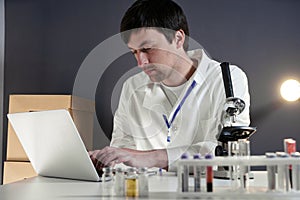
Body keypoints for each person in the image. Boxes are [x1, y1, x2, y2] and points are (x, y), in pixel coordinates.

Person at [89, 0, 250, 172]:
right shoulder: (131, 86)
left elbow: (229, 152)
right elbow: (122, 148)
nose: (141, 62)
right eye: (134, 52)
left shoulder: (227, 79)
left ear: (178, 38)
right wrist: (106, 161)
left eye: (148, 49)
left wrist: (151, 158)